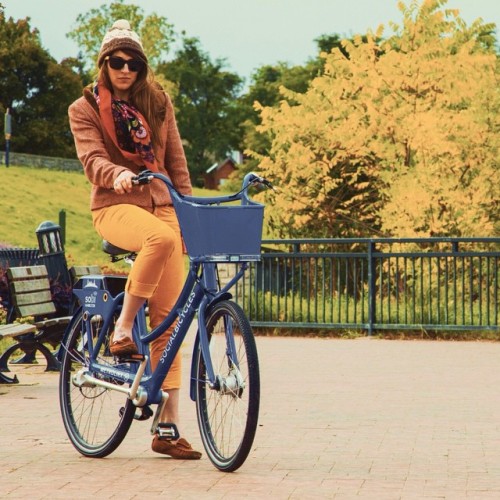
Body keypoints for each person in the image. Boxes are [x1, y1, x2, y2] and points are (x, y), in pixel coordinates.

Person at [68, 19, 201, 460]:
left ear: (142, 67)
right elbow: (92, 160)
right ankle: (122, 328)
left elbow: (176, 162)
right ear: (104, 64)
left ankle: (167, 428)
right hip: (114, 205)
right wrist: (119, 174)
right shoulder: (83, 108)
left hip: (163, 206)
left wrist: (190, 209)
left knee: (173, 319)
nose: (125, 69)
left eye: (133, 63)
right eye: (116, 62)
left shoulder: (158, 102)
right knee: (159, 240)